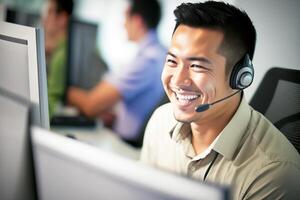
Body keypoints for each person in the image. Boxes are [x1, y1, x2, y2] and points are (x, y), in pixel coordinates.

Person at [140, 1, 300, 199]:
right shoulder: (160, 121)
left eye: (197, 66)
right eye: (172, 61)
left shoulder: (273, 172)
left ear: (240, 77)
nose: (178, 80)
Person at [67, 0, 166, 147]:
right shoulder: (159, 53)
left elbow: (90, 105)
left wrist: (64, 90)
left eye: (125, 18)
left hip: (127, 144)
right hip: (128, 139)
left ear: (137, 21)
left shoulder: (147, 60)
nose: (123, 24)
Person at [42, 0, 73, 118]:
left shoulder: (61, 57)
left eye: (49, 12)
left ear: (62, 19)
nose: (44, 19)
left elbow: (48, 109)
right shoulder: (61, 50)